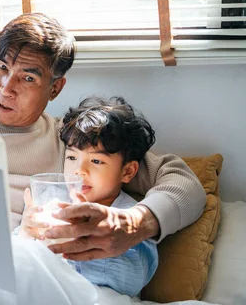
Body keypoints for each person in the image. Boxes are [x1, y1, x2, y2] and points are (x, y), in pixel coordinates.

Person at [0, 13, 206, 285]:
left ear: (55, 88)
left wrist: (136, 222)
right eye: (2, 67)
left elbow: (183, 181)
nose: (6, 88)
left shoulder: (70, 141)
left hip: (0, 274)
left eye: (28, 78)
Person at [18, 96, 159, 297]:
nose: (79, 171)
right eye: (72, 157)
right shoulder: (48, 200)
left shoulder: (130, 216)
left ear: (127, 172)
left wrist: (80, 242)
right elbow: (15, 257)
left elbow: (133, 278)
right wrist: (25, 232)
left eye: (96, 161)